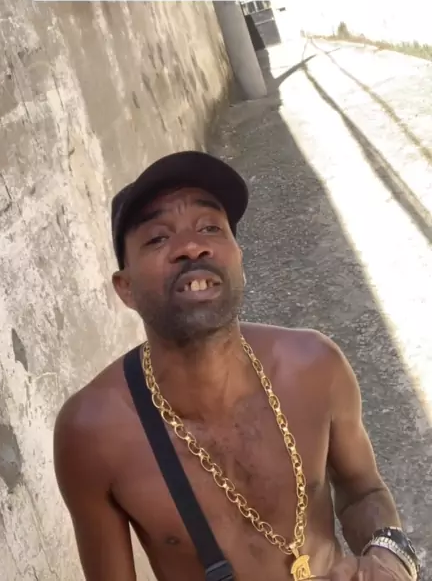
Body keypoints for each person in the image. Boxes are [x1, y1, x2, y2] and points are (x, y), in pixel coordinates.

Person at [53, 151, 421, 581]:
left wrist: (390, 558)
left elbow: (363, 491)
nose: (192, 246)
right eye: (157, 237)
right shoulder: (93, 434)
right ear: (126, 288)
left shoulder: (316, 366)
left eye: (211, 227)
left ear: (238, 256)